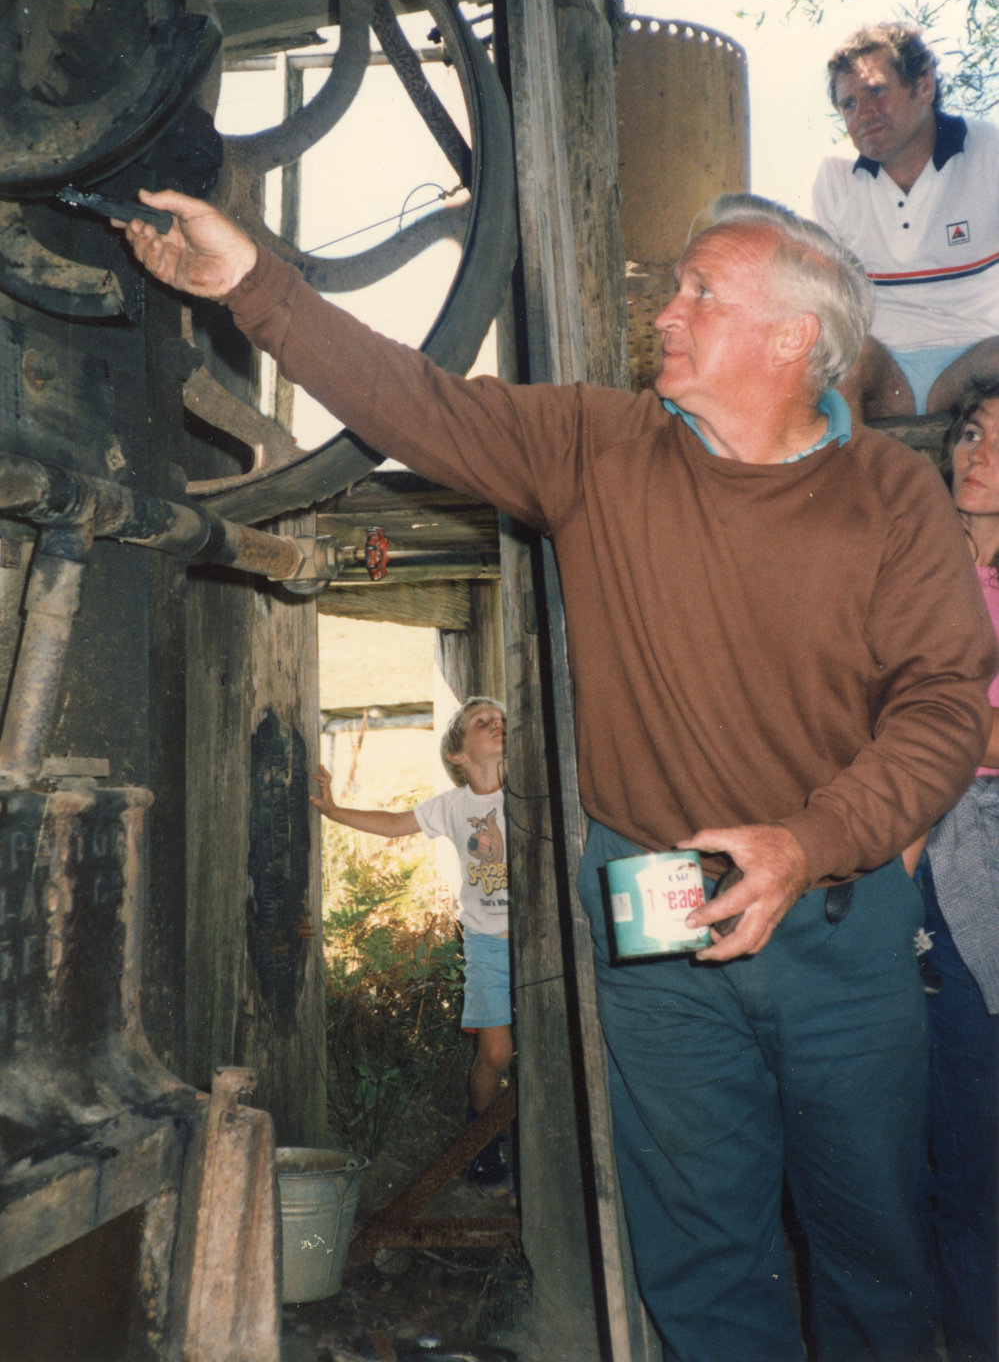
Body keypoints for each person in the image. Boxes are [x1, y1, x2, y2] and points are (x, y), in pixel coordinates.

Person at [120, 185, 997, 1362]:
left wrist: (815, 836)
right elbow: (413, 400)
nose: (665, 313)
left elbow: (943, 704)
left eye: (700, 292)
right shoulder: (599, 443)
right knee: (697, 1249)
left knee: (872, 1246)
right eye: (674, 286)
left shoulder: (891, 494)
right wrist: (254, 281)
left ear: (796, 338)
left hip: (839, 919)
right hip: (657, 911)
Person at [311, 697, 514, 1196]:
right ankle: (481, 1145)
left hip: (542, 944)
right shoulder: (452, 806)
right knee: (495, 1054)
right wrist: (334, 811)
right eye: (481, 723)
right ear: (458, 756)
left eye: (500, 720)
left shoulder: (528, 793)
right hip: (489, 945)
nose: (495, 725)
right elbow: (395, 823)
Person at [915, 379, 999, 1362]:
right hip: (906, 847)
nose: (977, 452)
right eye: (971, 431)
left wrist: (933, 730)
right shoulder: (905, 555)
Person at [812, 22, 999, 421]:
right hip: (882, 370)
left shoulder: (989, 152)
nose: (863, 113)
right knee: (843, 360)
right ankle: (848, 481)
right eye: (848, 104)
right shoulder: (832, 175)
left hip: (974, 363)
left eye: (876, 91)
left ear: (924, 86)